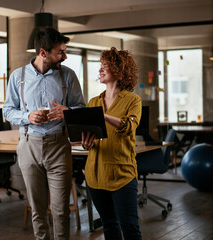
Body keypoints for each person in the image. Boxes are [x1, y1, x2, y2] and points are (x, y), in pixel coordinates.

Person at [3, 27, 85, 240]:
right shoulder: (17, 77)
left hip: (59, 146)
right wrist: (27, 117)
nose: (64, 56)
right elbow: (8, 111)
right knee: (37, 210)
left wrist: (67, 112)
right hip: (29, 146)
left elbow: (81, 109)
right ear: (43, 52)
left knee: (60, 210)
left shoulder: (68, 76)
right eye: (60, 52)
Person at [81, 47, 142, 240]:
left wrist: (103, 116)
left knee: (130, 228)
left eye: (105, 66)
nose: (100, 70)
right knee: (109, 225)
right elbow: (89, 138)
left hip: (122, 174)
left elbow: (128, 127)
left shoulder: (133, 100)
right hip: (95, 175)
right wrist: (86, 143)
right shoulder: (92, 102)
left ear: (119, 69)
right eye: (100, 66)